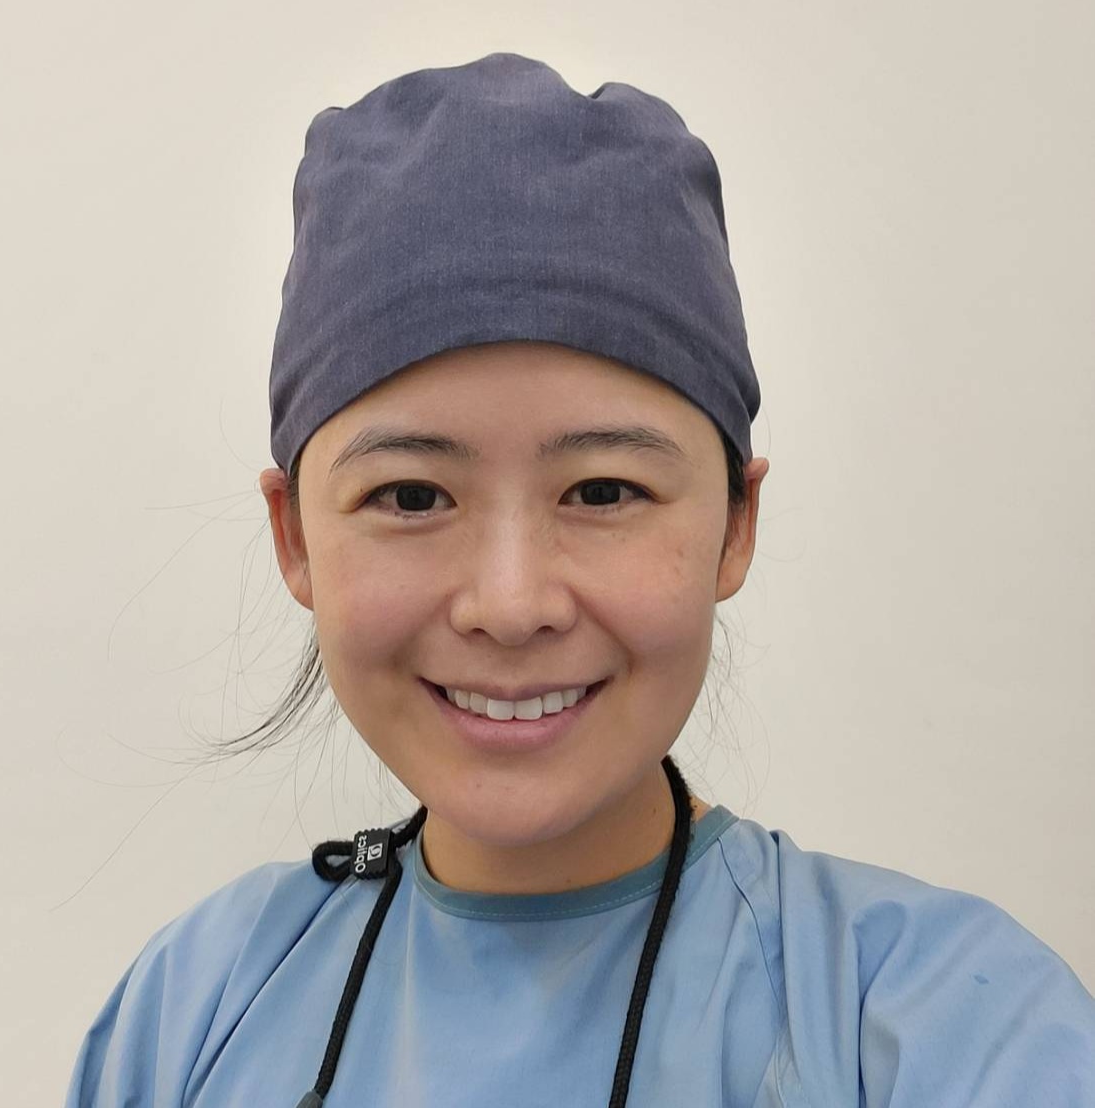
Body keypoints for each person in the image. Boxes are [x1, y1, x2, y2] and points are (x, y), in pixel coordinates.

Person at [65, 52, 1095, 1107]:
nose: (512, 606)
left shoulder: (950, 1030)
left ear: (735, 524)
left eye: (603, 491)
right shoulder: (190, 1010)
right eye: (412, 496)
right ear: (295, 538)